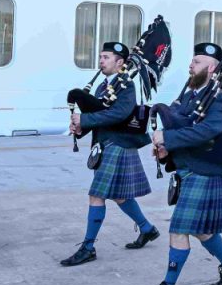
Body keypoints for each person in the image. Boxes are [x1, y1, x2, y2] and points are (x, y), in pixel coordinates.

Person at [137, 43, 222, 285]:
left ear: (212, 68)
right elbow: (184, 126)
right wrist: (167, 149)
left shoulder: (218, 99)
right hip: (188, 169)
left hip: (204, 171)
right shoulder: (190, 95)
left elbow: (206, 132)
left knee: (179, 229)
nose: (190, 65)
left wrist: (168, 137)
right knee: (200, 230)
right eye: (192, 61)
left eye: (197, 62)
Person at [60, 42, 158, 267]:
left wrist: (84, 119)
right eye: (101, 57)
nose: (101, 61)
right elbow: (99, 117)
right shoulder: (102, 87)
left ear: (120, 62)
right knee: (120, 195)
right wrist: (80, 128)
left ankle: (88, 248)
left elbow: (119, 114)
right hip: (105, 144)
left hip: (118, 144)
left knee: (97, 195)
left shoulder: (127, 86)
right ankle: (147, 229)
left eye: (106, 57)